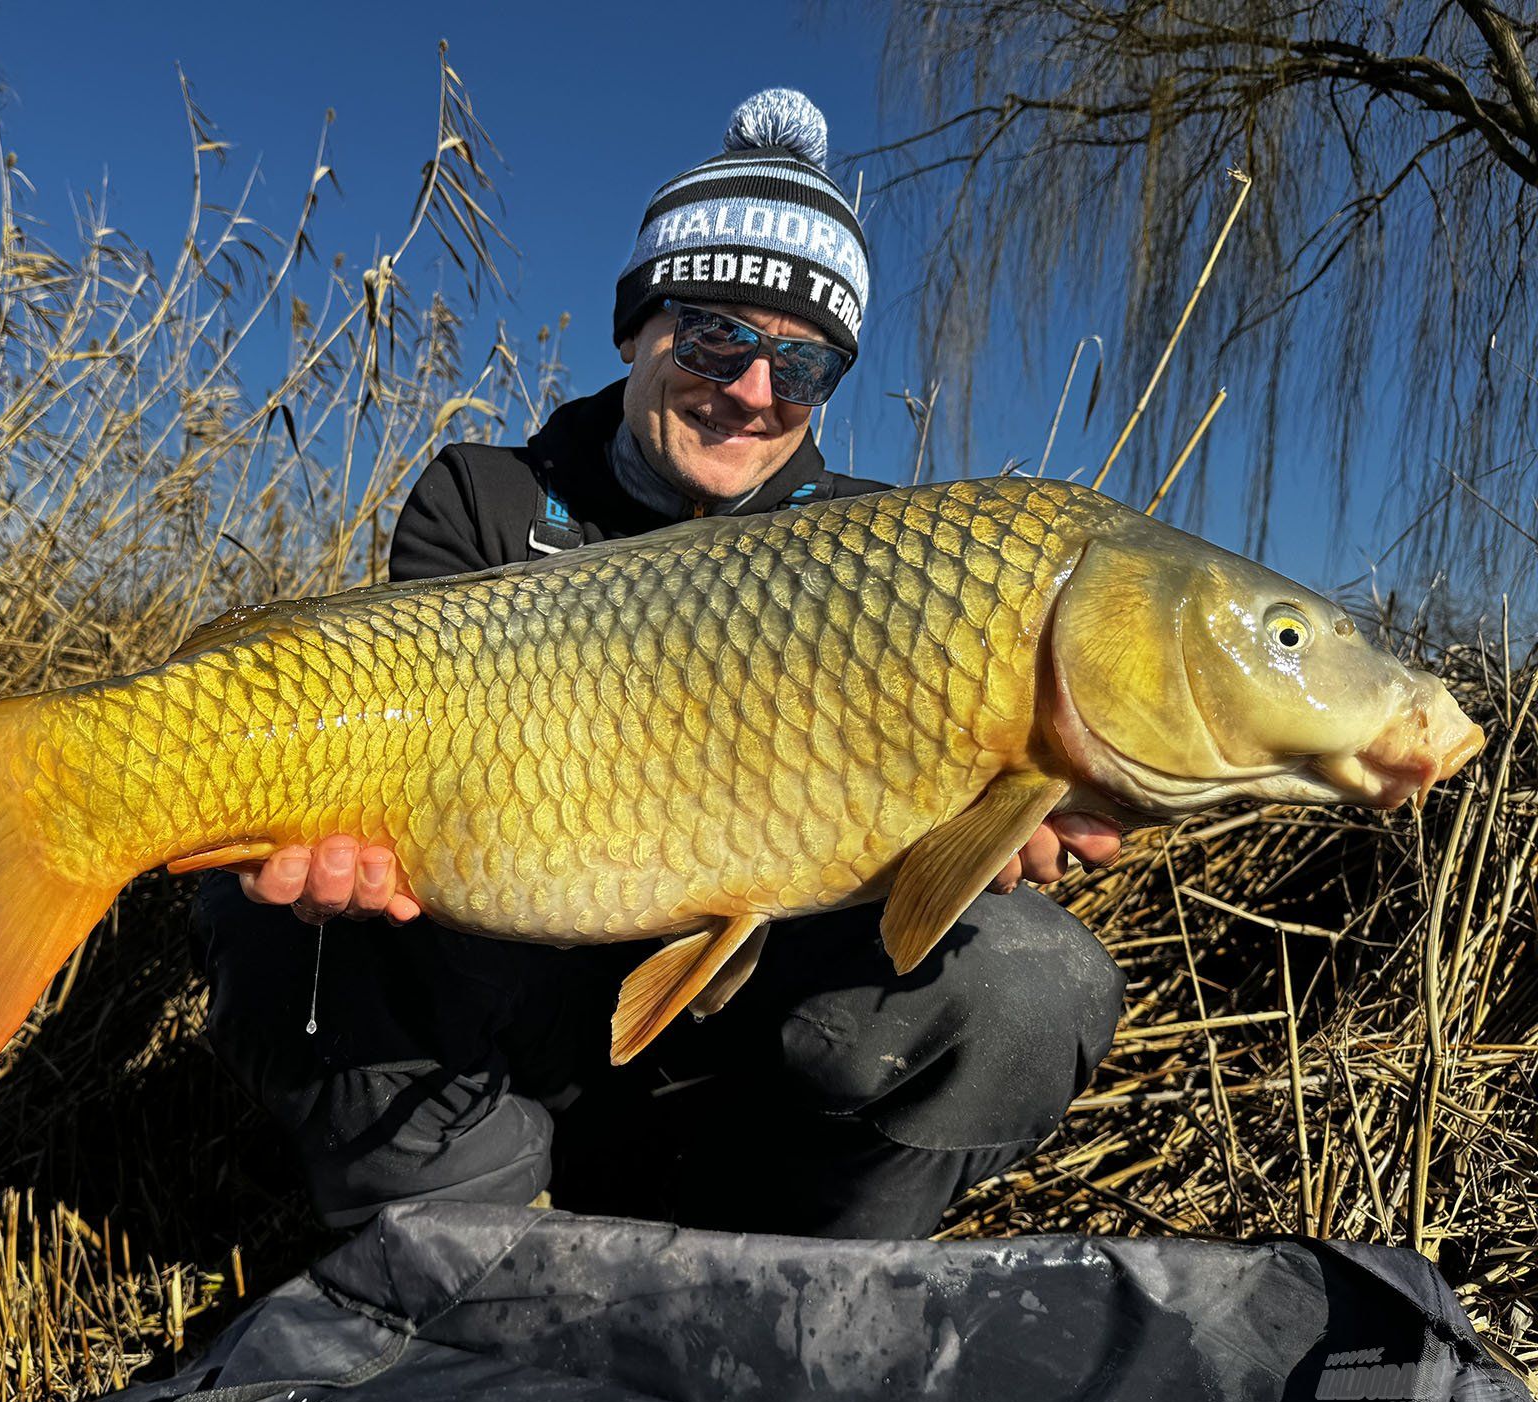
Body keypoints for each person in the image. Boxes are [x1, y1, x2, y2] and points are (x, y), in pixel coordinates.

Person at [195, 89, 1126, 1239]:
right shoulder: (484, 499)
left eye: (803, 367)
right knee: (271, 918)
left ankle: (798, 1272)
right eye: (716, 338)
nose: (751, 391)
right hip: (500, 1009)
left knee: (1033, 980)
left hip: (743, 1032)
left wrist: (980, 833)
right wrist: (342, 854)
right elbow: (397, 765)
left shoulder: (885, 551)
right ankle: (452, 1241)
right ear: (636, 327)